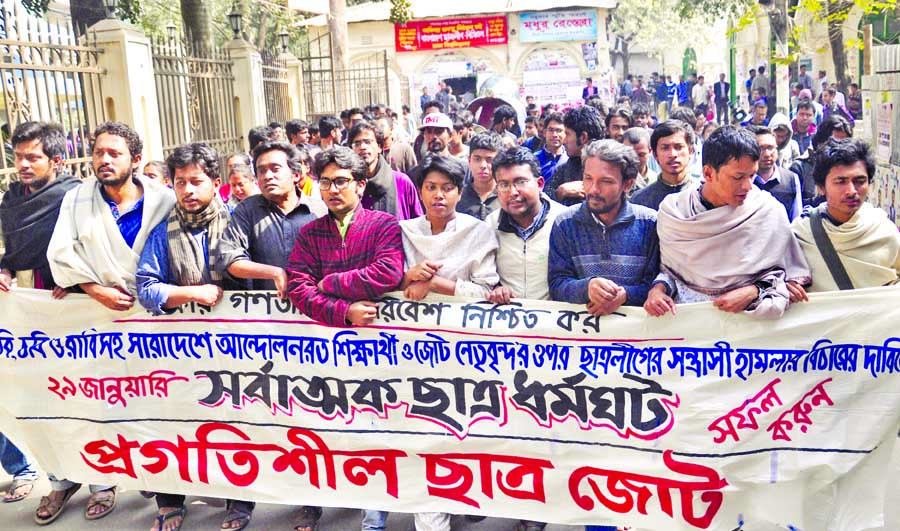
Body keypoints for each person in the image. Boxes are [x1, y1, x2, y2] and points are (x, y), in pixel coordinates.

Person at [45, 121, 176, 523]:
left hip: (158, 324)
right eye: (99, 152)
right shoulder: (78, 200)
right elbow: (61, 254)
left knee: (161, 410)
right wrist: (94, 289)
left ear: (136, 160)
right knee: (100, 405)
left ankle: (168, 494)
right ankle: (101, 478)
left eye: (114, 153)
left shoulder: (164, 200)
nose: (104, 159)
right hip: (99, 321)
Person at [135, 143, 254, 531]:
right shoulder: (162, 231)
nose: (188, 190)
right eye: (180, 182)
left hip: (237, 348)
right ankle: (171, 501)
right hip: (180, 349)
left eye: (197, 181)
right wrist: (191, 294)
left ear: (216, 183)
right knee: (175, 422)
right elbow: (146, 288)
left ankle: (240, 500)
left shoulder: (239, 222)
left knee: (237, 422)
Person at [644, 125, 811, 320]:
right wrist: (657, 290)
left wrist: (754, 291)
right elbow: (672, 274)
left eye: (752, 175)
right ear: (708, 174)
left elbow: (785, 278)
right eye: (738, 177)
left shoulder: (768, 211)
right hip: (690, 330)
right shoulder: (674, 213)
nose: (748, 186)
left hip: (751, 331)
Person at [0, 121, 81, 507]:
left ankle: (102, 482)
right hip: (28, 312)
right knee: (37, 399)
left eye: (33, 157)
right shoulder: (12, 199)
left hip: (74, 308)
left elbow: (89, 246)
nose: (24, 165)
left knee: (82, 396)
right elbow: (14, 251)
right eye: (19, 157)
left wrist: (77, 279)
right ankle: (59, 480)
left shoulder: (76, 196)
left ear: (56, 160)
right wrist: (3, 269)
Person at [286, 145, 403, 327]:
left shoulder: (383, 225)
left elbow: (387, 272)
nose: (332, 190)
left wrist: (331, 283)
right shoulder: (310, 234)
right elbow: (298, 287)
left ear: (361, 186)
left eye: (341, 181)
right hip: (330, 344)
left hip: (382, 338)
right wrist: (344, 311)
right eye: (325, 182)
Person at [548, 139, 660, 315]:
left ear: (627, 185)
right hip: (581, 334)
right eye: (588, 178)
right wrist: (587, 288)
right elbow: (557, 284)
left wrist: (625, 295)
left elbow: (657, 284)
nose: (593, 189)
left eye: (606, 181)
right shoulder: (564, 223)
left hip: (637, 336)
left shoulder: (649, 223)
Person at [791, 138, 899, 292]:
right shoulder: (800, 236)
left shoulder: (885, 232)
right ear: (821, 187)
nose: (851, 191)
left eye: (859, 181)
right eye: (841, 182)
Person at [218, 141, 321, 295]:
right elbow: (230, 259)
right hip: (267, 313)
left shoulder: (319, 211)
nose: (267, 176)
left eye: (275, 169)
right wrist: (274, 273)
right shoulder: (247, 210)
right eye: (261, 171)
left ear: (296, 174)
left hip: (315, 308)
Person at [400, 154, 499, 305]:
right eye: (431, 187)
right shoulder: (405, 231)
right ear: (420, 193)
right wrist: (409, 277)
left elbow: (486, 291)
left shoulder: (478, 232)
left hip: (461, 322)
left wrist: (434, 283)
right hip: (410, 322)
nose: (438, 195)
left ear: (460, 194)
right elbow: (385, 287)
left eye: (447, 188)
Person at [486, 147, 567, 305]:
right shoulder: (491, 224)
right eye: (504, 185)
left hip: (556, 322)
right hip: (508, 321)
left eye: (521, 182)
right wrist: (496, 288)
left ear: (540, 183)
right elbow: (484, 276)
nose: (513, 192)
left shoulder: (564, 221)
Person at [348, 120, 422, 220]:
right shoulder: (349, 186)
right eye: (357, 143)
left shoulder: (401, 182)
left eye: (368, 142)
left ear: (379, 147)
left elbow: (418, 223)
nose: (362, 147)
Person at [546, 105, 605, 206]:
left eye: (568, 134)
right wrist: (560, 192)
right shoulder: (566, 168)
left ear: (583, 137)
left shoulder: (613, 165)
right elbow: (545, 198)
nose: (564, 140)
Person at [631, 120, 697, 210]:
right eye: (665, 148)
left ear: (690, 151)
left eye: (678, 147)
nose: (672, 154)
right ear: (655, 155)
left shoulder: (703, 195)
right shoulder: (640, 201)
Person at [748, 125, 803, 221]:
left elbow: (796, 219)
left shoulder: (791, 179)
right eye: (761, 148)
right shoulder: (746, 181)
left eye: (770, 148)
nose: (767, 154)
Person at [456, 133, 503, 220]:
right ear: (469, 160)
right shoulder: (458, 196)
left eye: (490, 160)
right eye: (477, 159)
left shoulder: (506, 195)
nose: (483, 165)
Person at [622, 127, 658, 196]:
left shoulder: (656, 179)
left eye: (641, 155)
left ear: (650, 151)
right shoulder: (616, 179)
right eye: (630, 154)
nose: (635, 159)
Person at [533, 112, 567, 180]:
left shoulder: (569, 159)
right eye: (551, 130)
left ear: (565, 133)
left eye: (559, 131)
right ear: (545, 133)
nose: (554, 135)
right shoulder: (534, 159)